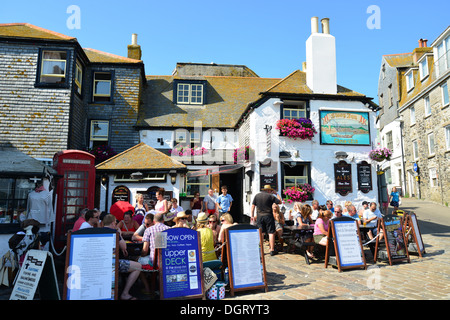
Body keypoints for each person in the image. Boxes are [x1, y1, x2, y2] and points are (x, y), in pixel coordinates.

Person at [102, 214, 143, 300]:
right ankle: (125, 293)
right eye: (115, 222)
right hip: (113, 264)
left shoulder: (98, 231)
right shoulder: (114, 233)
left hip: (100, 263)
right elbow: (124, 247)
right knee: (138, 266)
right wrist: (119, 234)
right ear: (113, 223)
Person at [250, 185, 282, 256]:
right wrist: (276, 194)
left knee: (261, 233)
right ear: (268, 190)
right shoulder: (271, 196)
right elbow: (280, 202)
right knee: (271, 232)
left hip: (260, 216)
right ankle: (272, 250)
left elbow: (253, 206)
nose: (271, 192)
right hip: (268, 216)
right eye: (271, 190)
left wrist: (252, 216)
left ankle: (261, 250)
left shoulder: (257, 196)